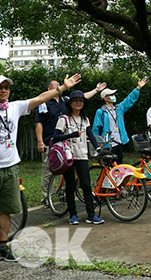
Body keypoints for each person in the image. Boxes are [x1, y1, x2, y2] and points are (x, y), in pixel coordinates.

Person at [0, 73, 81, 266]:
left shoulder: (14, 107)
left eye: (6, 87)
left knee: (6, 210)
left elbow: (39, 99)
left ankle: (1, 248)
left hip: (11, 168)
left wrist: (62, 88)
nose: (3, 90)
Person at [35, 80, 105, 208]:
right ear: (49, 88)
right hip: (50, 142)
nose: (61, 87)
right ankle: (47, 197)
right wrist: (40, 142)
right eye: (57, 86)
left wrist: (96, 90)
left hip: (68, 145)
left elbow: (81, 97)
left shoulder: (64, 100)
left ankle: (64, 196)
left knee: (68, 174)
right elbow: (39, 123)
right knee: (49, 170)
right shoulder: (44, 103)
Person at [51, 90, 104, 225]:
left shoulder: (85, 119)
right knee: (70, 186)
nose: (78, 103)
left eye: (81, 101)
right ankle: (73, 215)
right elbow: (55, 137)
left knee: (86, 185)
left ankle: (91, 215)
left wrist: (97, 147)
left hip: (82, 155)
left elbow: (90, 134)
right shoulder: (64, 119)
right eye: (75, 101)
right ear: (70, 103)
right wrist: (70, 135)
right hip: (68, 156)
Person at [93, 77, 148, 164]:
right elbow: (96, 128)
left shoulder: (118, 109)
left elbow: (128, 100)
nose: (113, 96)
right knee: (109, 166)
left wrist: (138, 88)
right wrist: (96, 145)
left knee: (119, 165)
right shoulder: (101, 112)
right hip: (108, 143)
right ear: (105, 98)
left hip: (119, 141)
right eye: (111, 95)